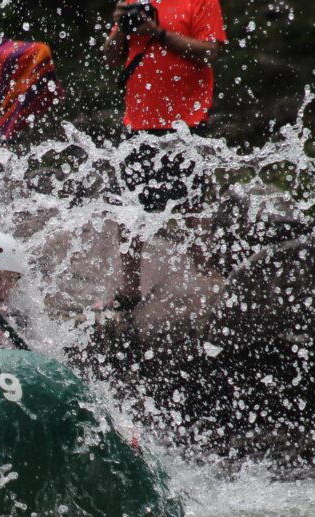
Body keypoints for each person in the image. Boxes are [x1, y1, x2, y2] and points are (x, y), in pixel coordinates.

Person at [102, 0, 227, 308]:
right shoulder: (134, 3)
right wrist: (121, 28)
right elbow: (111, 59)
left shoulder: (201, 2)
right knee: (129, 211)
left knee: (193, 204)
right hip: (139, 122)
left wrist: (158, 33)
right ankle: (130, 290)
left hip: (188, 122)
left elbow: (209, 52)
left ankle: (206, 275)